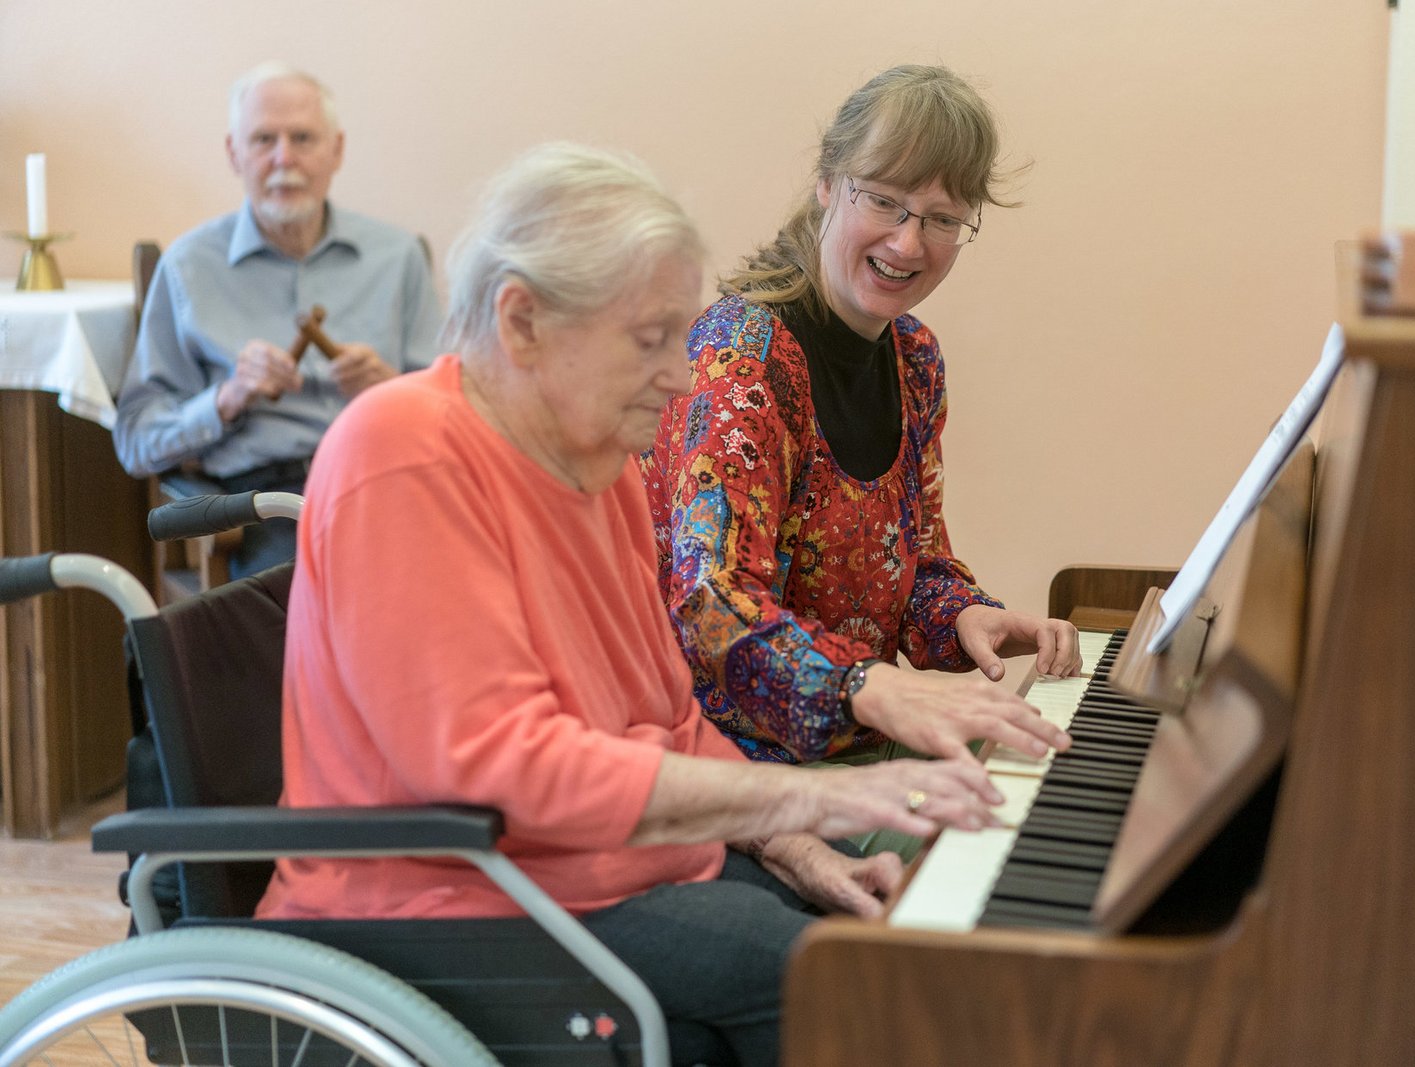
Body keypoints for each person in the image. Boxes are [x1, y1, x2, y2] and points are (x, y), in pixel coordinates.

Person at [253, 142, 1003, 1067]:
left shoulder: (595, 459)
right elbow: (500, 768)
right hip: (447, 902)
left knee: (879, 929)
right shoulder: (402, 450)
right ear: (521, 322)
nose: (685, 376)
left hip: (591, 873)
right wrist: (824, 789)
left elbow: (669, 718)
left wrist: (802, 842)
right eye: (651, 340)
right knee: (841, 984)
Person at [641, 65, 1080, 841]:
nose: (908, 242)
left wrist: (969, 615)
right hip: (731, 775)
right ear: (826, 184)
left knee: (1046, 806)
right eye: (884, 201)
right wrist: (869, 687)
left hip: (849, 748)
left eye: (942, 218)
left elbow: (909, 565)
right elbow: (708, 606)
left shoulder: (914, 359)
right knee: (1004, 843)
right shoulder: (741, 359)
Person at [114, 61, 442, 577]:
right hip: (266, 505)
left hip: (385, 485)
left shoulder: (397, 257)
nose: (283, 158)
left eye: (303, 138)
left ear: (336, 150)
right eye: (263, 139)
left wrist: (394, 391)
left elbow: (456, 416)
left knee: (465, 586)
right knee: (317, 605)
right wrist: (225, 400)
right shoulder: (189, 266)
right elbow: (136, 441)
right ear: (233, 153)